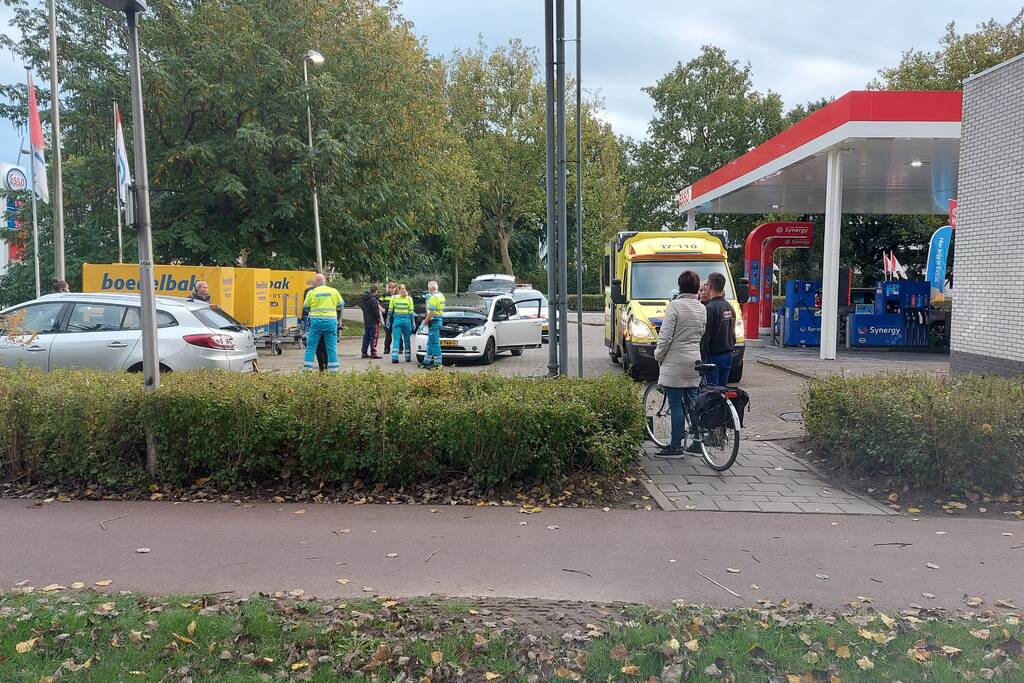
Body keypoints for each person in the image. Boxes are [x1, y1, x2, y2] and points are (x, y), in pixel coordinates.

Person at [653, 270, 707, 456]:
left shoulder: (674, 306)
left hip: (675, 362)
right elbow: (701, 333)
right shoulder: (702, 307)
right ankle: (697, 442)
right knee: (693, 402)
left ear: (680, 286)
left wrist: (658, 355)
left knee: (676, 404)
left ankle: (675, 445)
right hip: (694, 361)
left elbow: (665, 337)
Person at [301, 273, 343, 373]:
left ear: (315, 282)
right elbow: (341, 304)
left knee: (311, 347)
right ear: (325, 281)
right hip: (331, 323)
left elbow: (306, 308)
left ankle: (307, 371)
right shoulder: (334, 291)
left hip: (316, 323)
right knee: (331, 347)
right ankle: (334, 372)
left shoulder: (311, 293)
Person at [701, 271, 736, 386]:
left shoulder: (710, 309)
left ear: (709, 286)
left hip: (713, 356)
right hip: (728, 355)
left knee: (712, 393)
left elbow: (706, 336)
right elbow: (733, 334)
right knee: (722, 390)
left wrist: (701, 357)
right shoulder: (730, 307)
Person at [301, 282, 329, 372]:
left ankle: (321, 367)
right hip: (326, 324)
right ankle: (324, 366)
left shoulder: (308, 298)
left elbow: (305, 317)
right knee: (324, 347)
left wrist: (305, 333)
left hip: (314, 326)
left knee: (316, 348)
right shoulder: (324, 297)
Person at [421, 280, 446, 369]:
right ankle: (426, 361)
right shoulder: (441, 296)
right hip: (438, 320)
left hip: (433, 321)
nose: (428, 290)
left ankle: (438, 363)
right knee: (430, 342)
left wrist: (424, 322)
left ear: (431, 288)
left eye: (428, 288)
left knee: (434, 342)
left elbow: (431, 312)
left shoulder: (433, 297)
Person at [388, 283, 415, 363]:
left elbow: (390, 310)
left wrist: (388, 320)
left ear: (398, 290)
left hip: (397, 320)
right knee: (407, 340)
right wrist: (413, 322)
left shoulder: (393, 298)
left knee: (396, 339)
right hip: (406, 321)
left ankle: (394, 357)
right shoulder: (409, 298)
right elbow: (411, 312)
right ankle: (407, 357)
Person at [360, 285, 384, 359]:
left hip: (366, 320)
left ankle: (364, 352)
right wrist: (379, 319)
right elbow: (376, 311)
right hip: (373, 321)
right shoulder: (373, 300)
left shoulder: (364, 298)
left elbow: (362, 307)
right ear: (376, 291)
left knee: (366, 336)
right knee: (373, 337)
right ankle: (373, 353)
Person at [381, 280, 400, 358]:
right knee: (388, 334)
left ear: (395, 288)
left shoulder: (398, 296)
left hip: (396, 317)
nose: (391, 289)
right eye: (389, 288)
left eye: (392, 288)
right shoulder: (384, 295)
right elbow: (378, 302)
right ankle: (386, 349)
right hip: (386, 317)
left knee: (397, 334)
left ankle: (400, 348)